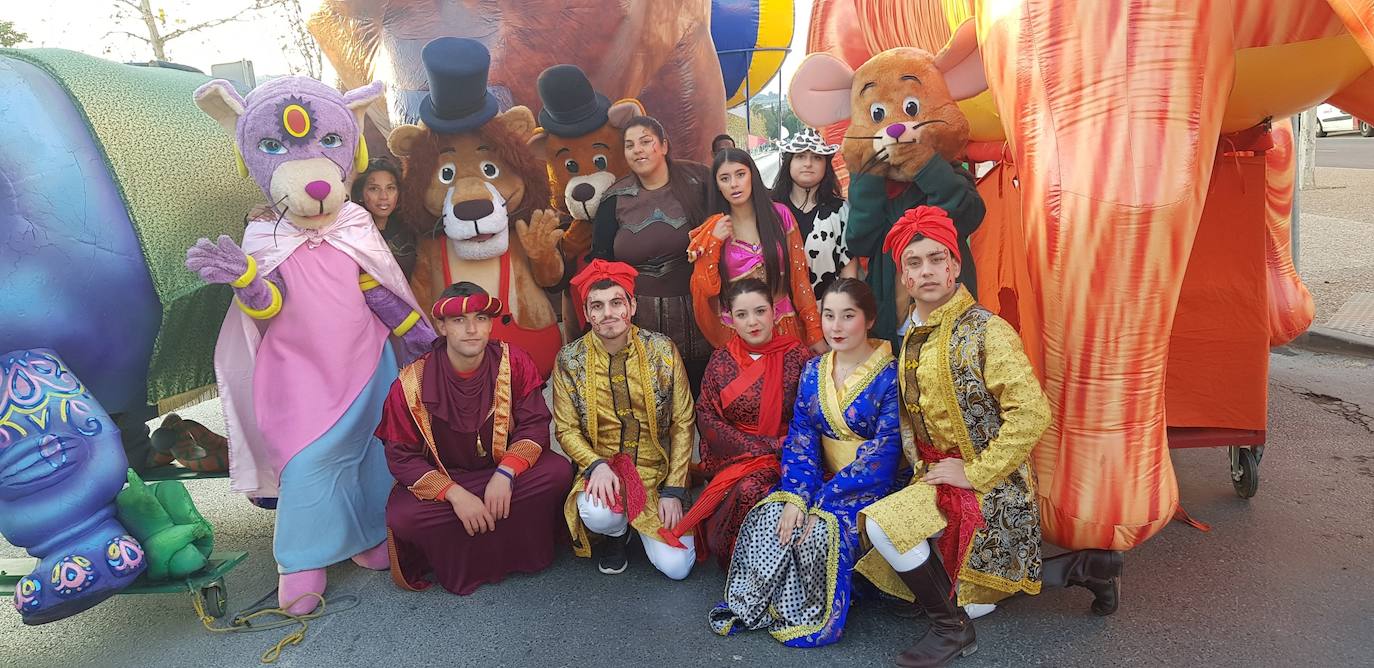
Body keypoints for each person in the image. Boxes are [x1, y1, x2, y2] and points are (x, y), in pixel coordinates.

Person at [855, 206, 1124, 667]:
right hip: (941, 477)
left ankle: (952, 631)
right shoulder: (912, 336)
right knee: (956, 584)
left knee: (886, 525)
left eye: (936, 259)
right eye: (914, 264)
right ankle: (1090, 566)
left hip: (994, 485)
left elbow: (1032, 412)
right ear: (903, 277)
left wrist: (975, 472)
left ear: (955, 265)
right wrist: (926, 471)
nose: (926, 271)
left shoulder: (986, 331)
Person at [709, 278, 905, 647]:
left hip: (864, 485)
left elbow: (884, 452)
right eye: (828, 315)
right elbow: (802, 436)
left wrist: (823, 501)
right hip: (818, 478)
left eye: (848, 316)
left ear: (869, 319)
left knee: (821, 530)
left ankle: (813, 614)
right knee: (774, 516)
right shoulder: (814, 370)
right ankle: (761, 604)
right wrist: (798, 495)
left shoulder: (889, 376)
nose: (836, 326)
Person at [375, 282, 574, 595]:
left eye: (481, 318)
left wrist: (506, 472)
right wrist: (454, 494)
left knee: (558, 472)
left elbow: (535, 424)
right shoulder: (410, 383)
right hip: (449, 480)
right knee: (404, 516)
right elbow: (401, 456)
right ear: (440, 326)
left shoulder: (514, 361)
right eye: (458, 320)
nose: (471, 329)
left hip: (505, 477)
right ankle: (468, 534)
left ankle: (519, 549)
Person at [552, 259, 697, 579]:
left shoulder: (661, 349)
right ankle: (616, 535)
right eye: (598, 306)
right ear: (588, 314)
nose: (608, 313)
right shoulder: (570, 359)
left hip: (655, 473)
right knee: (597, 513)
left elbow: (683, 420)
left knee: (678, 568)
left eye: (616, 302)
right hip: (605, 473)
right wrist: (594, 465)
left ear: (631, 305)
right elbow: (565, 427)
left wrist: (674, 489)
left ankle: (642, 520)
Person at [659, 279, 810, 569]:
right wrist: (762, 447)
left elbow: (811, 415)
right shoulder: (720, 361)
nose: (752, 322)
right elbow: (707, 416)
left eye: (760, 311)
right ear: (730, 319)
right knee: (747, 488)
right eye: (742, 315)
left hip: (789, 455)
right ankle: (737, 559)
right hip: (735, 457)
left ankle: (772, 566)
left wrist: (785, 447)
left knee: (762, 489)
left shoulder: (800, 356)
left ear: (775, 312)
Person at [590, 115, 713, 393]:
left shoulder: (699, 182)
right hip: (638, 321)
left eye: (646, 142)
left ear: (664, 146)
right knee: (650, 406)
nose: (638, 150)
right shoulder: (613, 198)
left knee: (704, 403)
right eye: (630, 145)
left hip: (700, 316)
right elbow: (600, 264)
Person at [688, 148, 824, 353]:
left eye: (740, 174)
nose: (734, 184)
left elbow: (800, 280)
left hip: (783, 326)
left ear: (753, 175)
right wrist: (714, 242)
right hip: (738, 334)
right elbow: (705, 290)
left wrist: (814, 332)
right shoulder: (713, 230)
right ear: (717, 186)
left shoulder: (780, 216)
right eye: (724, 178)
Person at [770, 127, 856, 297]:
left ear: (826, 165)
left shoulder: (841, 211)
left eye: (816, 157)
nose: (808, 163)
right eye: (800, 156)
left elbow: (848, 272)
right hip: (778, 315)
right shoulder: (771, 208)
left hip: (826, 313)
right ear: (789, 162)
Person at [351, 157, 418, 278]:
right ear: (360, 193)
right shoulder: (351, 235)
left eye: (390, 188)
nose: (384, 196)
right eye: (374, 189)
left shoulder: (410, 230)